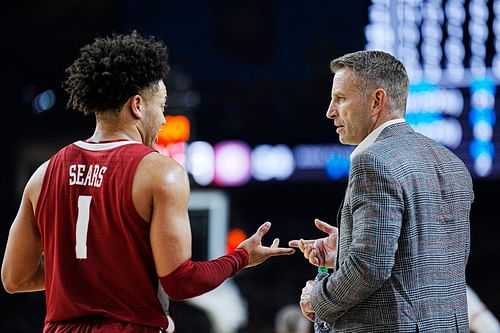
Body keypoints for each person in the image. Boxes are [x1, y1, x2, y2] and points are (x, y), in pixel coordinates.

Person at [1, 30, 295, 333]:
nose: (165, 119)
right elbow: (181, 283)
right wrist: (241, 257)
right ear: (138, 105)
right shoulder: (161, 172)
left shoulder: (44, 173)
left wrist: (88, 270)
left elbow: (15, 278)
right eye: (163, 106)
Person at [289, 50, 474, 332]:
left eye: (340, 98)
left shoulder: (373, 161)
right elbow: (423, 256)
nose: (330, 111)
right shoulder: (452, 163)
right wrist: (347, 248)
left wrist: (318, 297)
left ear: (376, 100)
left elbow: (368, 268)